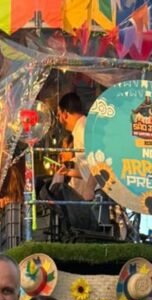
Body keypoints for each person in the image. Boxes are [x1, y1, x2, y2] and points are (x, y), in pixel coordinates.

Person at [54, 92, 97, 234]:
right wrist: (69, 172)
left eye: (58, 115)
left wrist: (89, 188)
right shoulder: (80, 129)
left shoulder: (84, 129)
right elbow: (87, 169)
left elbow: (99, 161)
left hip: (97, 193)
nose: (59, 119)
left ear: (65, 113)